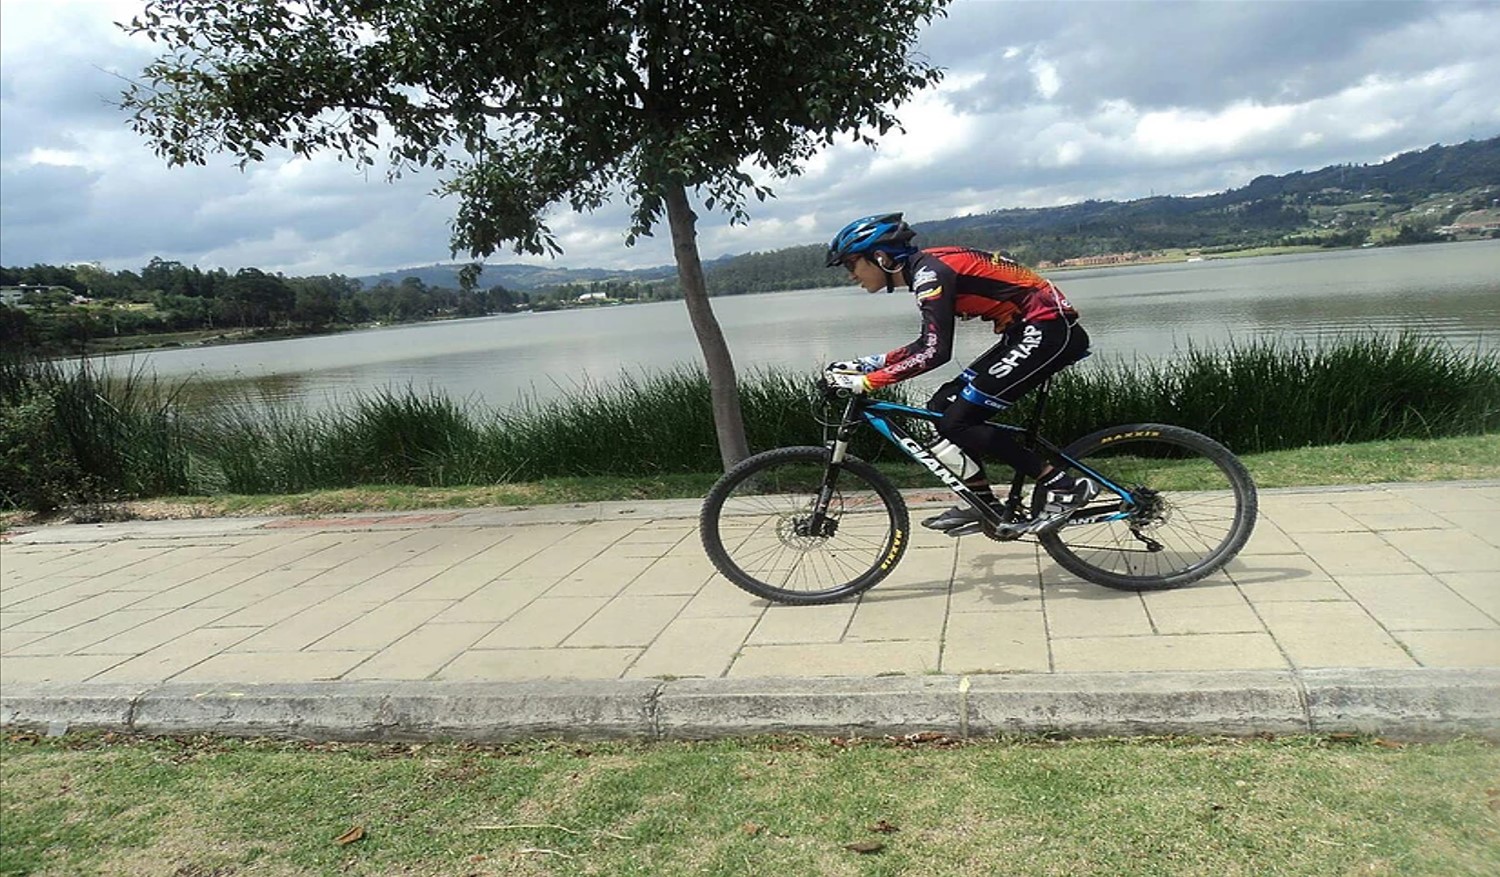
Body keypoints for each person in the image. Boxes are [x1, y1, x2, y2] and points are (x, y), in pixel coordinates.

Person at [822, 212, 1096, 535]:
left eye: (851, 264)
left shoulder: (930, 276)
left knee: (958, 421)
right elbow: (926, 344)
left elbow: (935, 353)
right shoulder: (926, 270)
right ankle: (984, 504)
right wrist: (866, 365)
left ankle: (1063, 485)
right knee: (941, 407)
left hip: (1047, 332)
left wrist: (867, 382)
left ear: (880, 257)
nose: (850, 275)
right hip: (1029, 332)